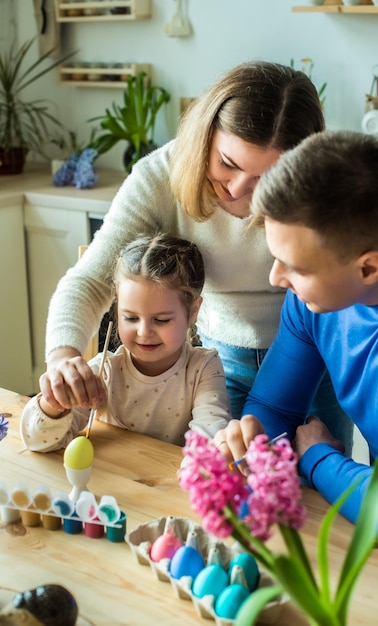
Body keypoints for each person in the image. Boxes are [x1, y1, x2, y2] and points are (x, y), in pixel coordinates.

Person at [40, 60, 352, 451]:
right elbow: (89, 280)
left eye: (267, 178)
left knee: (316, 499)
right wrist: (63, 358)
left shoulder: (327, 184)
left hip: (317, 362)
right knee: (229, 492)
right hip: (221, 366)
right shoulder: (159, 176)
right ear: (205, 136)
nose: (239, 190)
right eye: (227, 164)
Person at [214, 130, 378, 557]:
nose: (275, 278)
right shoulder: (311, 304)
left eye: (295, 267)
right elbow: (273, 408)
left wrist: (318, 459)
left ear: (368, 268)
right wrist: (254, 446)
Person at [21, 234, 231, 451]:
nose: (144, 331)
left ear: (193, 311)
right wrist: (53, 406)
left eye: (161, 320)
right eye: (130, 318)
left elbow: (210, 439)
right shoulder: (104, 371)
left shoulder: (203, 368)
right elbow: (37, 442)